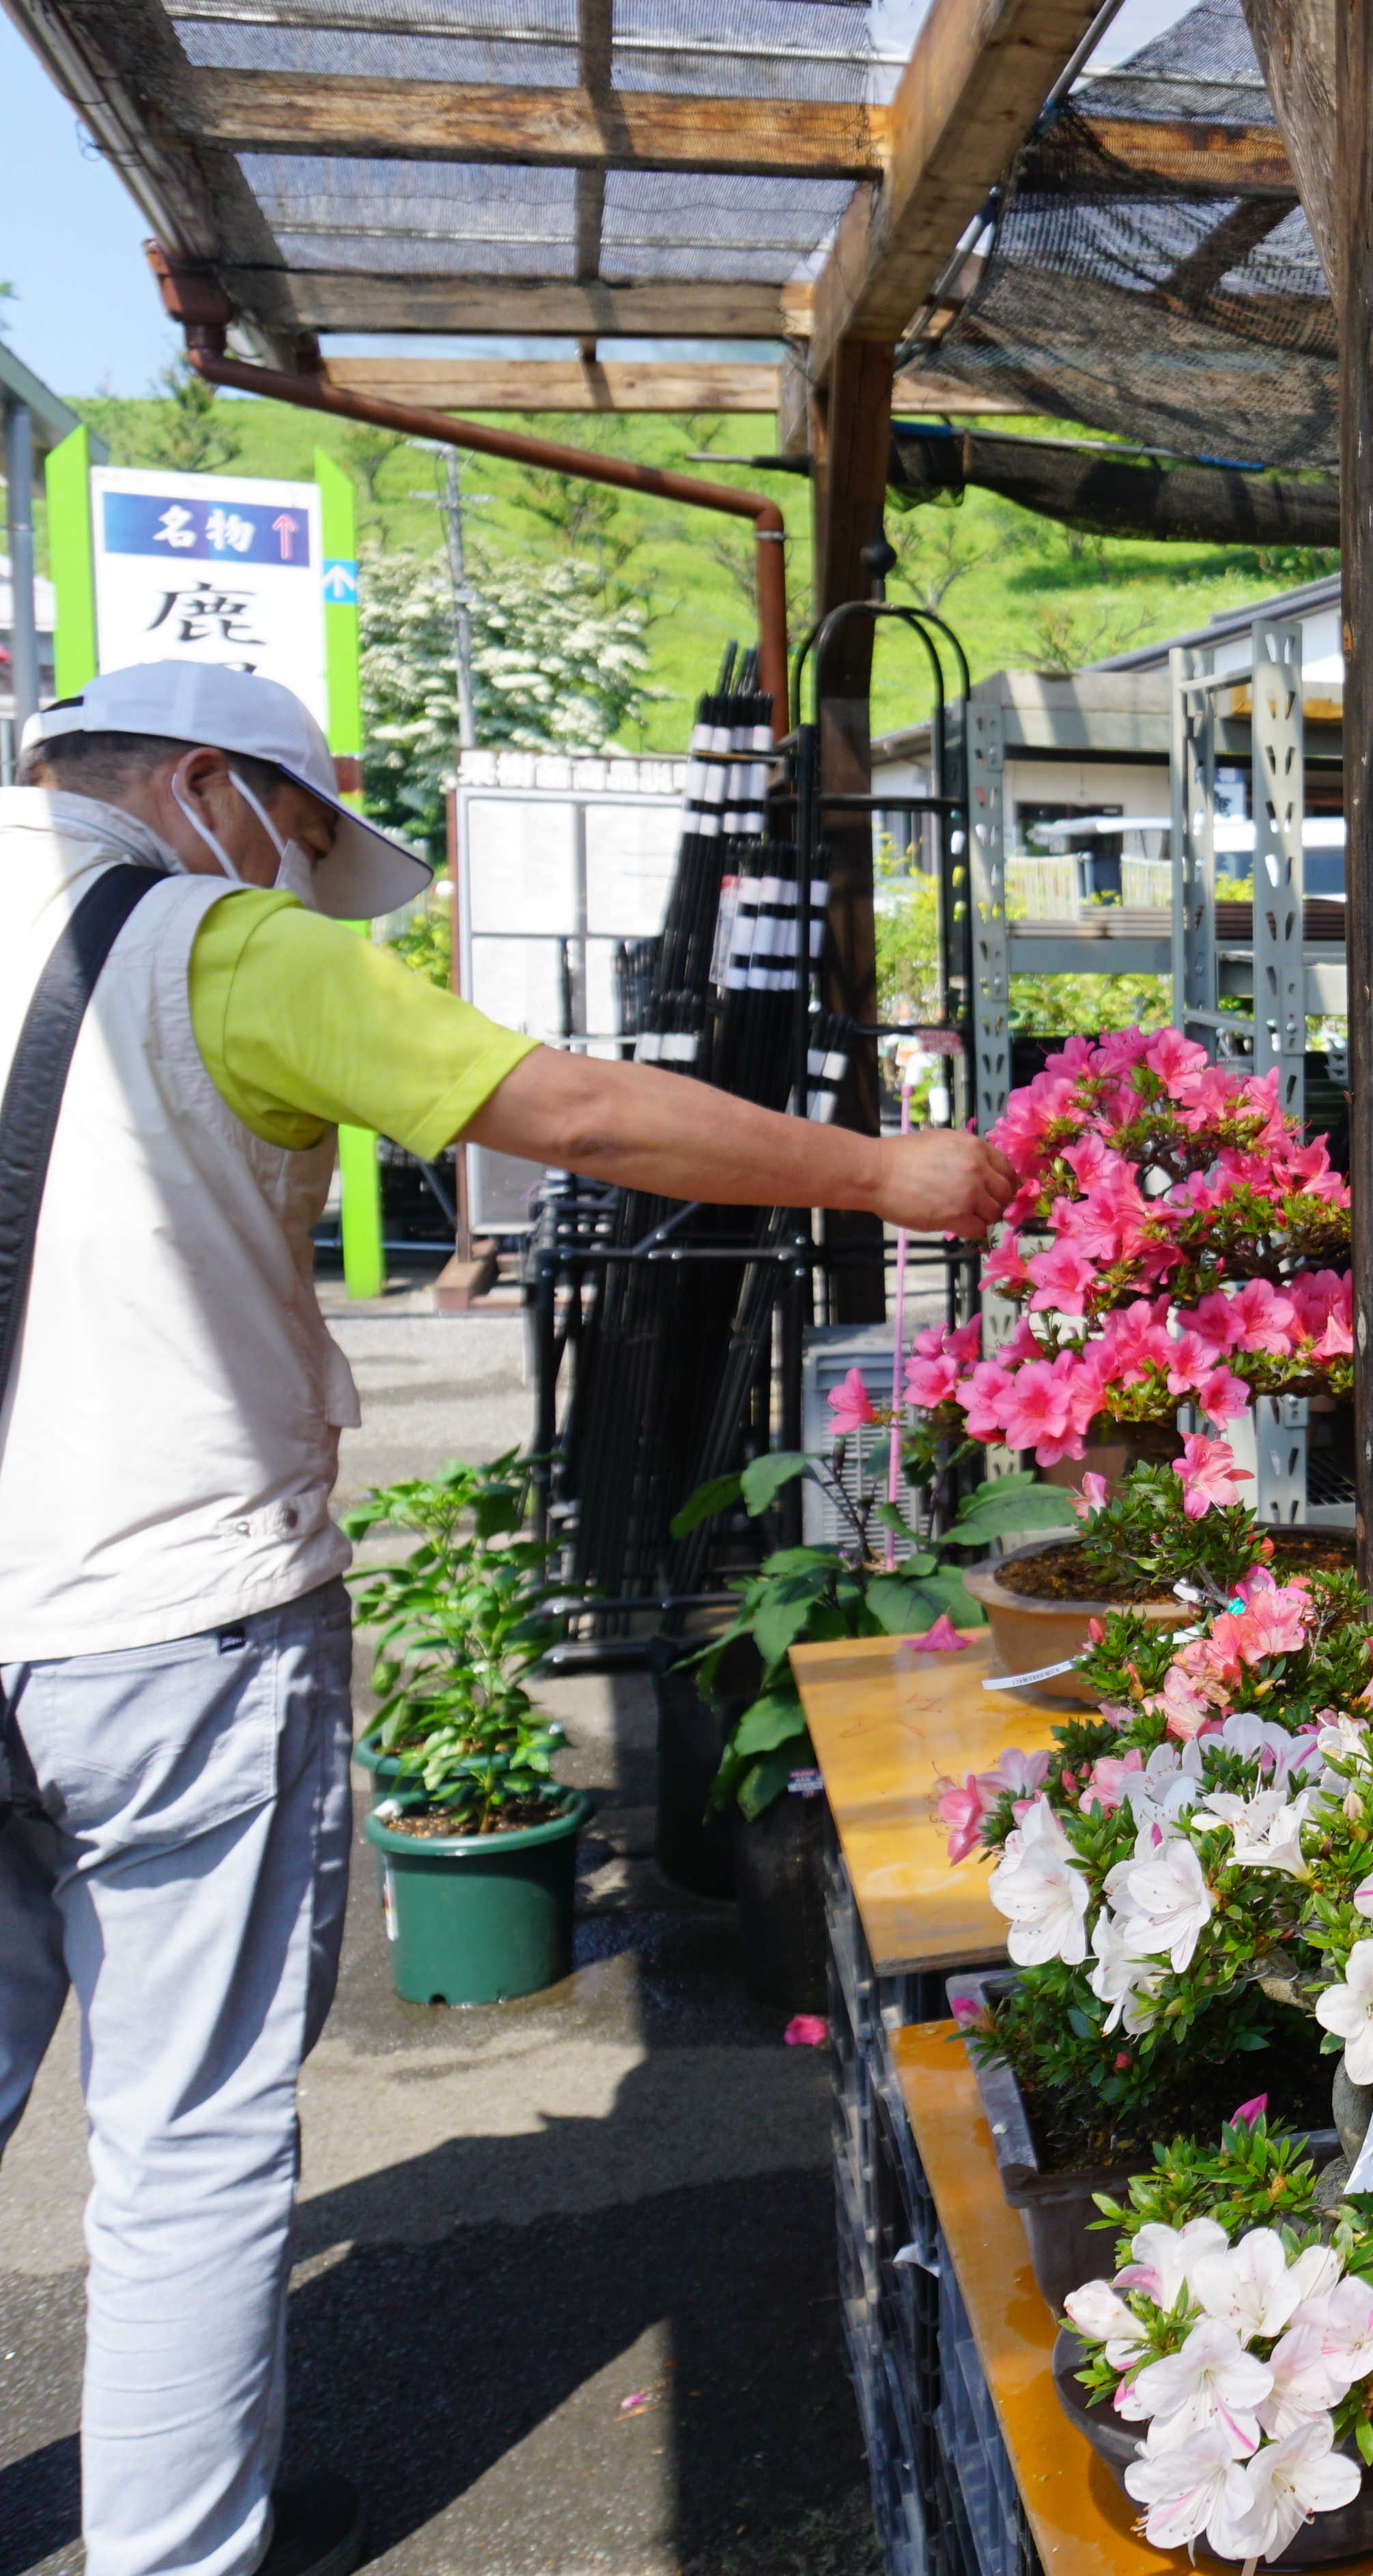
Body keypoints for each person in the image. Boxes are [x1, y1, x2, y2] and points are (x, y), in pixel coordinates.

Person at [0, 661, 1010, 2576]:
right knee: (188, 2139)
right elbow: (571, 1112)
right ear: (212, 788)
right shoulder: (203, 942)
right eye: (299, 842)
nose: (291, 885)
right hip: (164, 1620)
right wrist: (889, 1171)